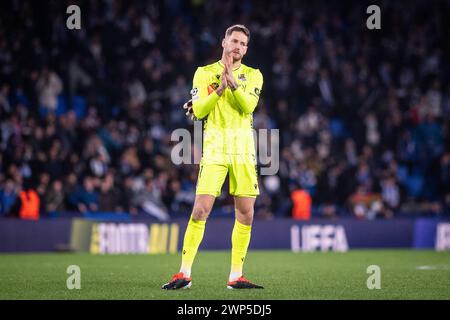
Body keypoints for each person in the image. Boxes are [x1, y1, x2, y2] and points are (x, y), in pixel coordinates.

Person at [162, 25, 264, 290]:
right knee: (200, 209)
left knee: (246, 214)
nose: (238, 46)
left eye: (243, 43)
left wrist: (231, 80)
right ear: (223, 42)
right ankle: (184, 274)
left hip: (243, 151)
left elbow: (247, 106)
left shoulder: (254, 75)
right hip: (216, 149)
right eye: (234, 41)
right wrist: (220, 88)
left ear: (246, 48)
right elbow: (199, 109)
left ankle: (236, 276)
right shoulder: (203, 73)